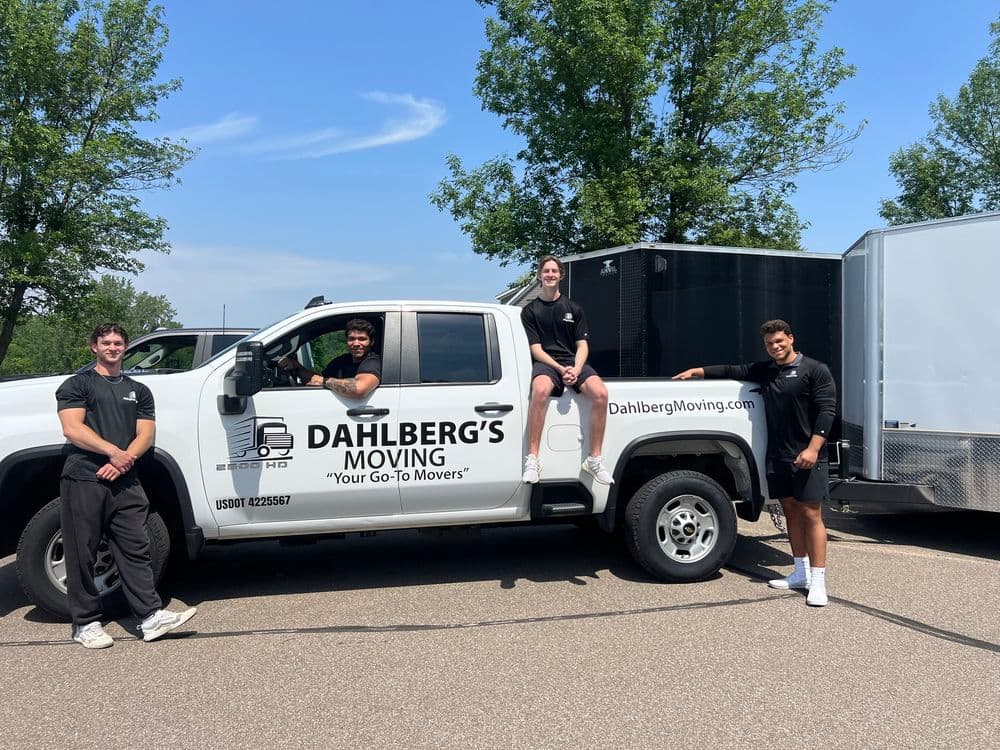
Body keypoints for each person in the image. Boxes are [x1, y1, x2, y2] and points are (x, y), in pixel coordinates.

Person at [673, 319, 836, 607]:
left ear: (791, 339)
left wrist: (813, 449)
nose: (775, 347)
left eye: (779, 342)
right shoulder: (766, 370)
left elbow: (826, 411)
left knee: (811, 515)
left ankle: (818, 581)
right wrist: (696, 372)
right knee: (790, 513)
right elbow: (732, 370)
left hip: (808, 456)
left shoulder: (815, 370)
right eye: (769, 344)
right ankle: (799, 573)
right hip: (778, 455)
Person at [56, 323, 197, 648]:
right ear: (94, 347)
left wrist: (124, 460)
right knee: (83, 552)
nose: (113, 347)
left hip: (126, 480)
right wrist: (112, 452)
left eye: (118, 343)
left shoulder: (139, 389)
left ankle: (150, 617)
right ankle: (86, 623)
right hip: (85, 476)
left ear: (125, 347)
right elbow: (72, 428)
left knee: (136, 548)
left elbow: (145, 434)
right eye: (106, 342)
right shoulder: (77, 384)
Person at [520, 255, 612, 485]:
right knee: (540, 391)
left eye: (554, 271)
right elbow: (536, 349)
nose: (550, 275)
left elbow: (582, 345)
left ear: (561, 275)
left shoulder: (574, 308)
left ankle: (594, 459)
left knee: (601, 394)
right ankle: (532, 459)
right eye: (546, 271)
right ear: (539, 275)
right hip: (547, 363)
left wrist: (575, 368)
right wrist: (561, 369)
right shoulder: (530, 311)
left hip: (574, 362)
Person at [279, 318, 381, 399]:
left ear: (371, 342)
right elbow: (315, 380)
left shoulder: (373, 361)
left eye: (362, 339)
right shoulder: (341, 362)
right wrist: (297, 368)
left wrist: (324, 381)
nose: (356, 344)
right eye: (351, 339)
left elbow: (359, 388)